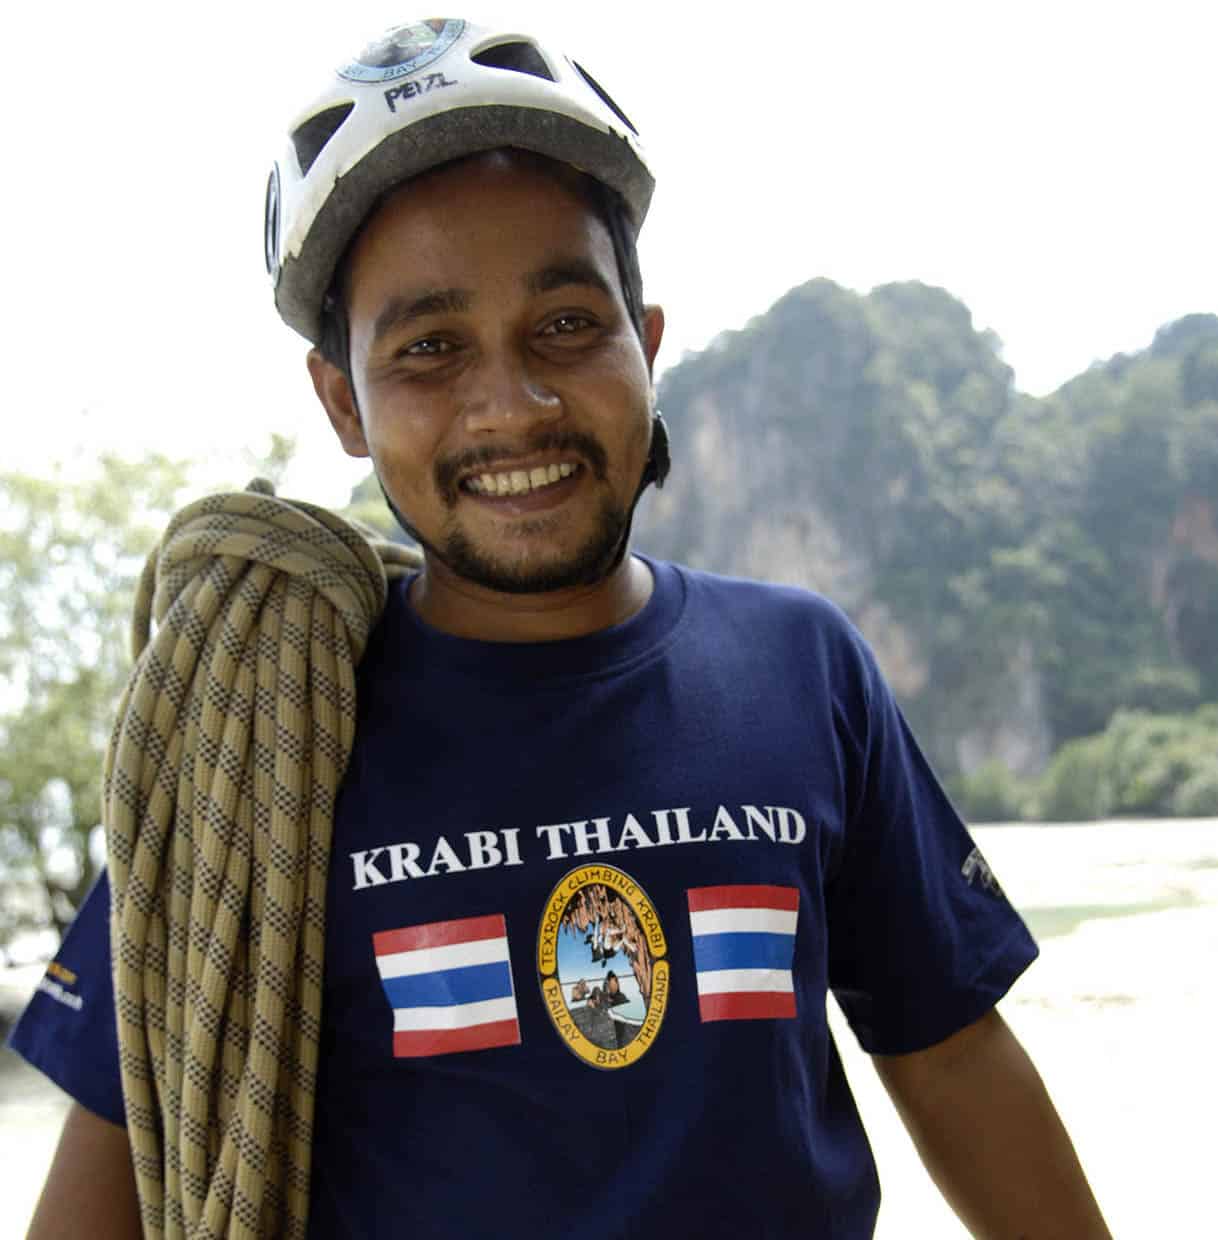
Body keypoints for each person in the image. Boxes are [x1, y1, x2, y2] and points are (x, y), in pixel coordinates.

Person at [11, 16, 1110, 1238]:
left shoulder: (801, 666)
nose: (512, 403)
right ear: (344, 405)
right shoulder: (255, 728)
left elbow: (948, 1050)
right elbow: (123, 1153)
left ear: (645, 343)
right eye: (429, 348)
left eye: (568, 327)